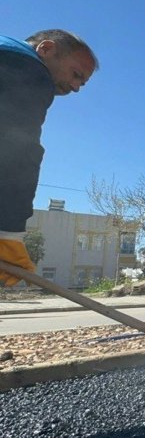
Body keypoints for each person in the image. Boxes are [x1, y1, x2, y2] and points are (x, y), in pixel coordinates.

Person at [0, 30, 98, 287]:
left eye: (83, 83)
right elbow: (19, 151)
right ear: (45, 49)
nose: (76, 88)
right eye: (76, 74)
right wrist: (9, 234)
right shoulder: (26, 68)